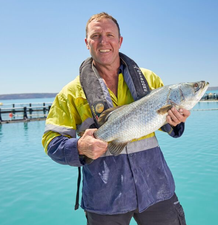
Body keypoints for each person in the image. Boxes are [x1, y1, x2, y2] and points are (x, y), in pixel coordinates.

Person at [42, 12, 190, 225]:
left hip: (157, 190)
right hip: (104, 200)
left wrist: (176, 121)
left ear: (120, 41)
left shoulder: (149, 79)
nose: (104, 41)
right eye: (96, 36)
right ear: (87, 42)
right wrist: (80, 147)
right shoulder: (70, 93)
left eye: (110, 35)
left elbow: (166, 124)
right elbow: (51, 142)